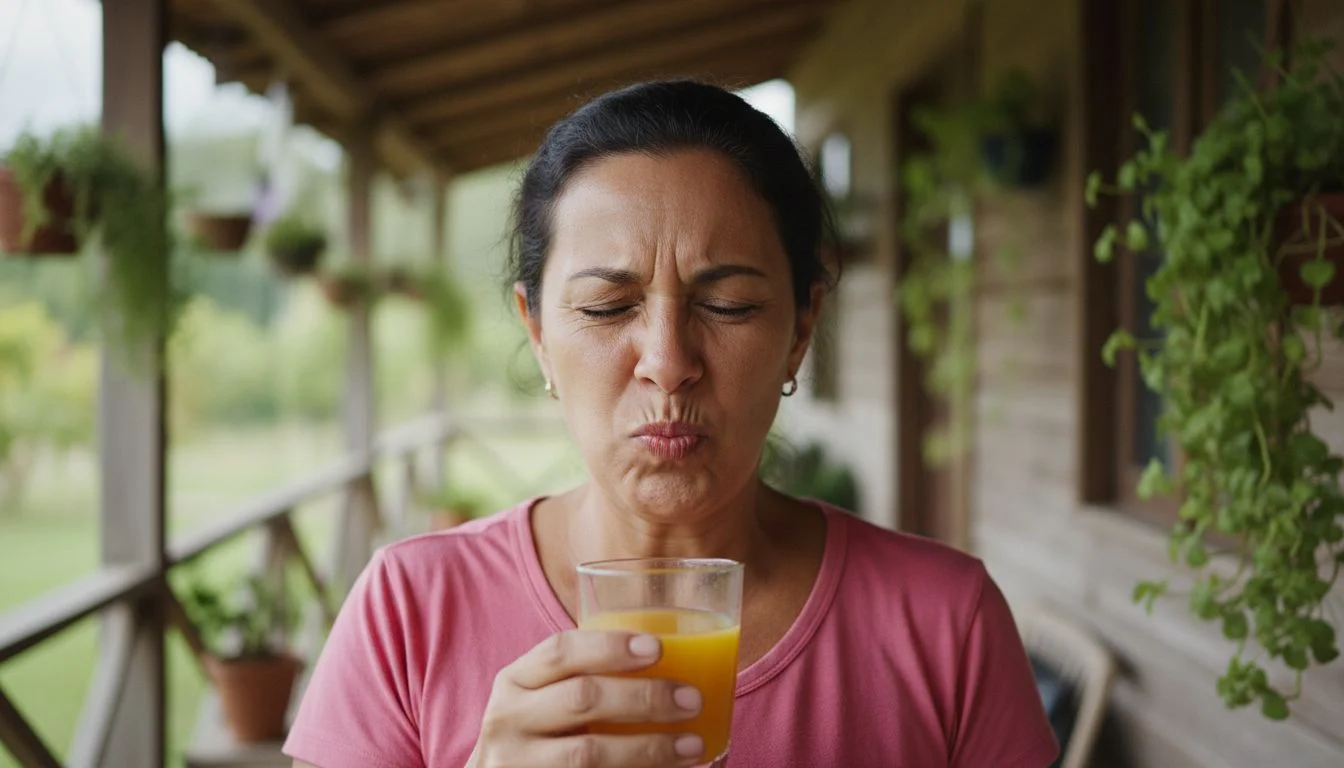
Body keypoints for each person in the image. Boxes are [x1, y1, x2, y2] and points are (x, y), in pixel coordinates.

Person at [284, 80, 1059, 768]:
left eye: (728, 306)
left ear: (800, 328)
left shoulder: (945, 623)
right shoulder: (411, 611)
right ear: (538, 333)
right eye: (606, 308)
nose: (667, 360)